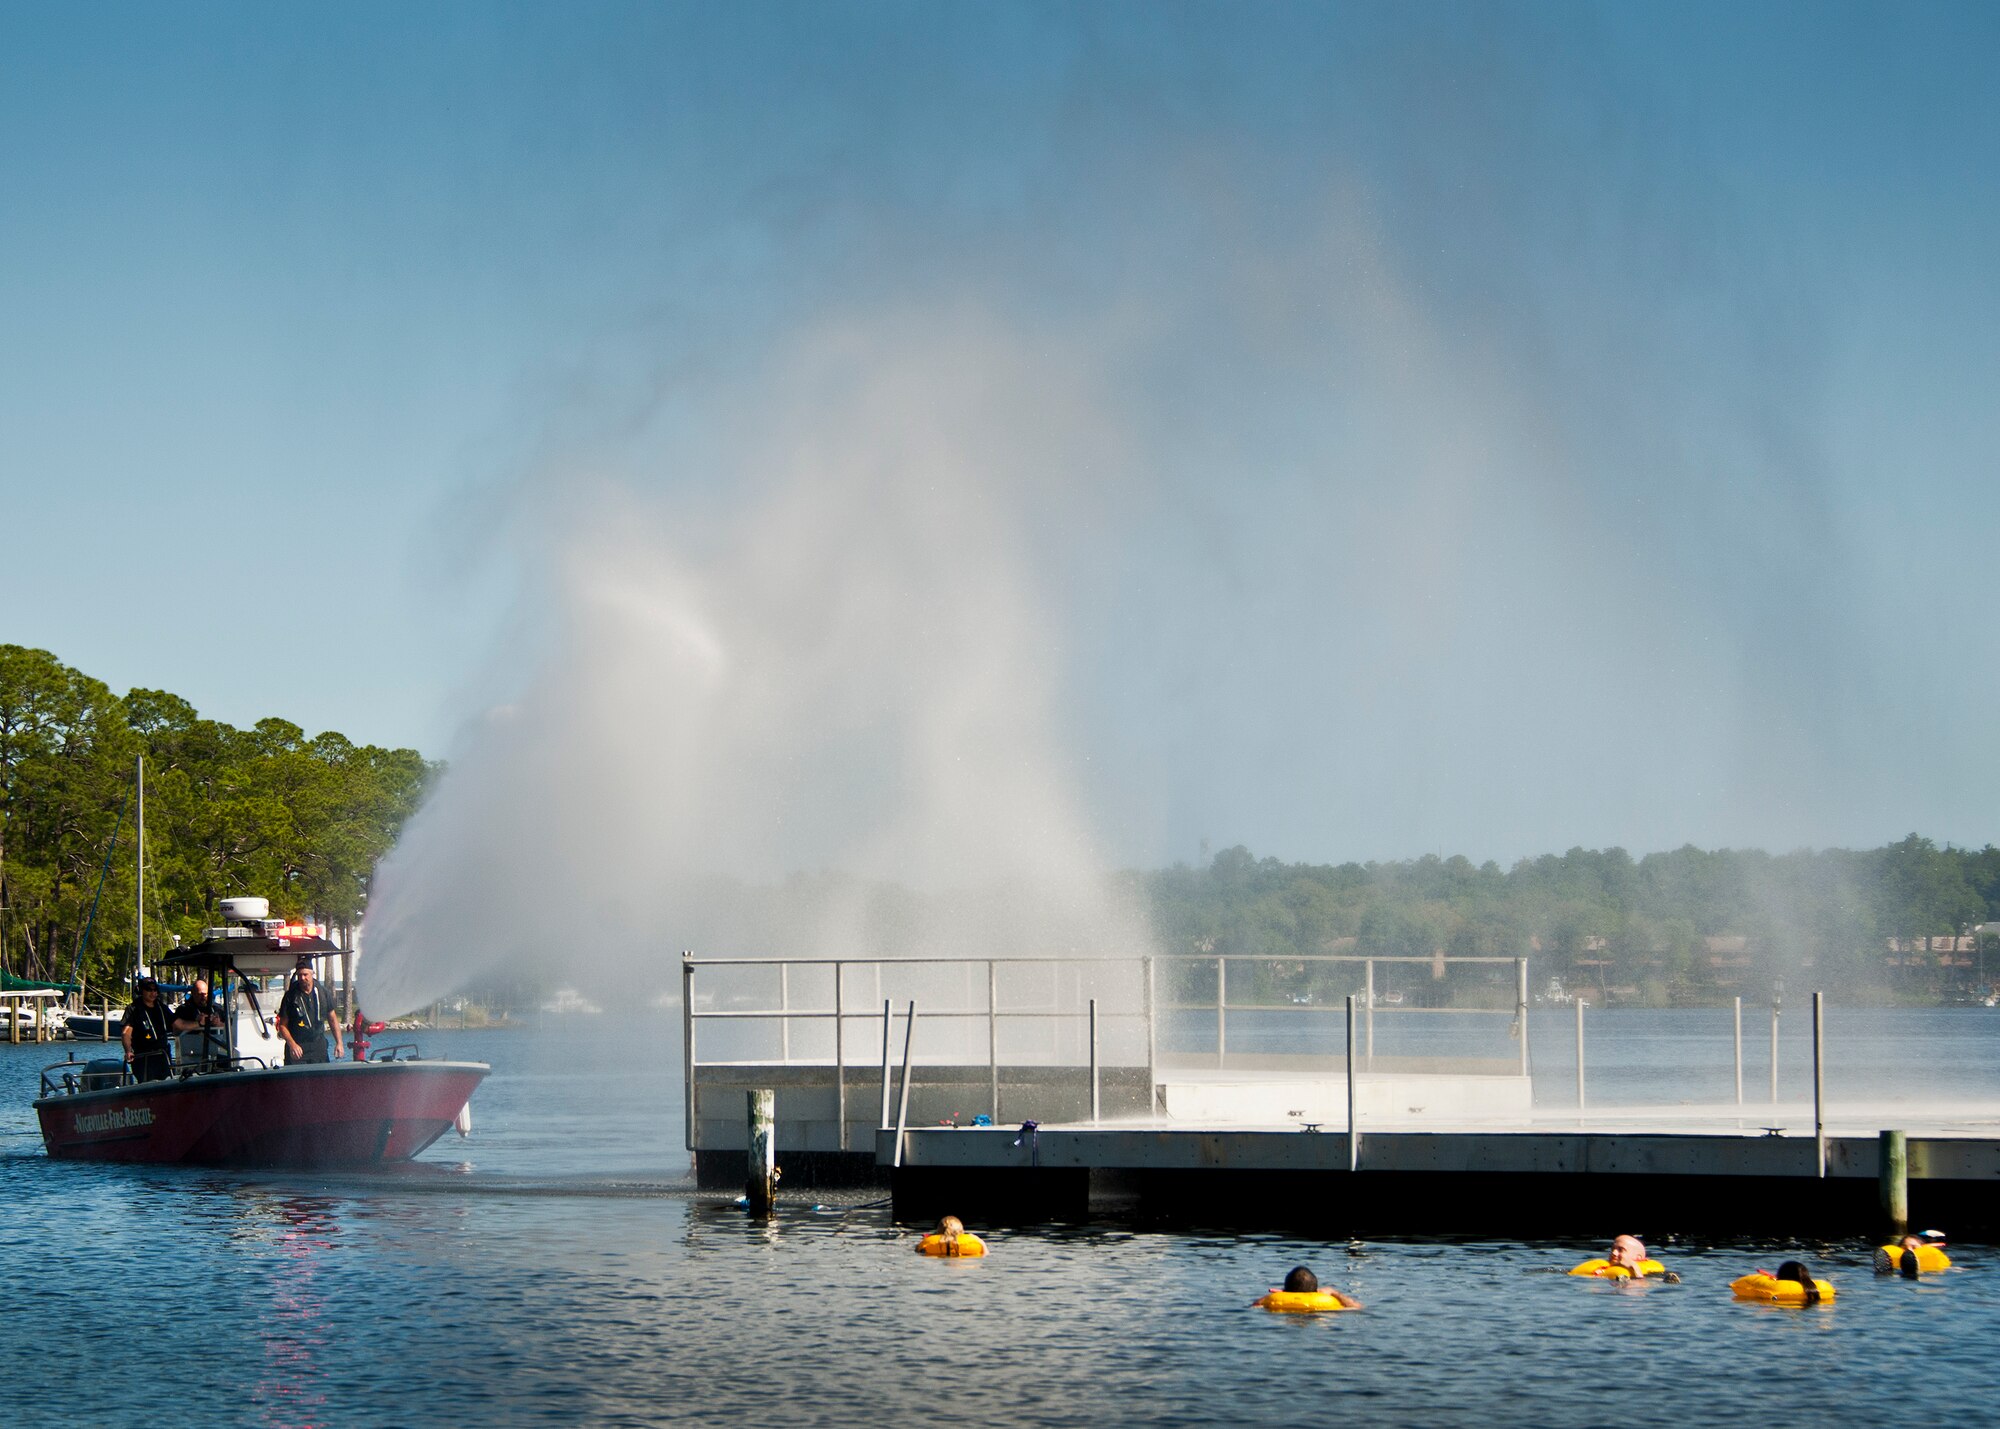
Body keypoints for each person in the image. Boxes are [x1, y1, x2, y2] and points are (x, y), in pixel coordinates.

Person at [277, 958, 343, 1065]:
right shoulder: (290, 996)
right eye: (299, 975)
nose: (302, 978)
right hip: (298, 1046)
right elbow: (282, 1026)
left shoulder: (323, 993)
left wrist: (339, 1043)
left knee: (321, 1079)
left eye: (305, 974)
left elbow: (332, 1019)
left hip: (318, 1045)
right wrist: (292, 1044)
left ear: (312, 974)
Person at [120, 977, 175, 1084]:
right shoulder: (133, 1009)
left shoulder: (161, 1007)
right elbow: (126, 1033)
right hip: (144, 1058)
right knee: (148, 1083)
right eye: (149, 990)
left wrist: (199, 1023)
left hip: (163, 1056)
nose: (153, 993)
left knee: (167, 1082)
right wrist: (128, 1051)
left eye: (155, 990)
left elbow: (178, 1024)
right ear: (141, 991)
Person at [1254, 1265, 1361, 1309]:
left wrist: (1281, 1293)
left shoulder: (1271, 1301)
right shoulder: (1325, 1304)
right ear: (1316, 1290)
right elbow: (1358, 1308)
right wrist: (1334, 1292)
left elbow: (1254, 1306)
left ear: (1286, 1288)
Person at [1875, 1230, 1951, 1278]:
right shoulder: (1896, 1262)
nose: (1909, 1250)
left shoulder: (1932, 1258)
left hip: (1924, 1275)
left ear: (1922, 1248)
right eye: (1904, 1247)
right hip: (1899, 1273)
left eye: (1914, 1247)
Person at [916, 1215, 988, 1257]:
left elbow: (918, 1251)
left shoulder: (929, 1242)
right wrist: (982, 1242)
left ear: (938, 1231)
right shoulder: (972, 1240)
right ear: (962, 1231)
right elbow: (985, 1254)